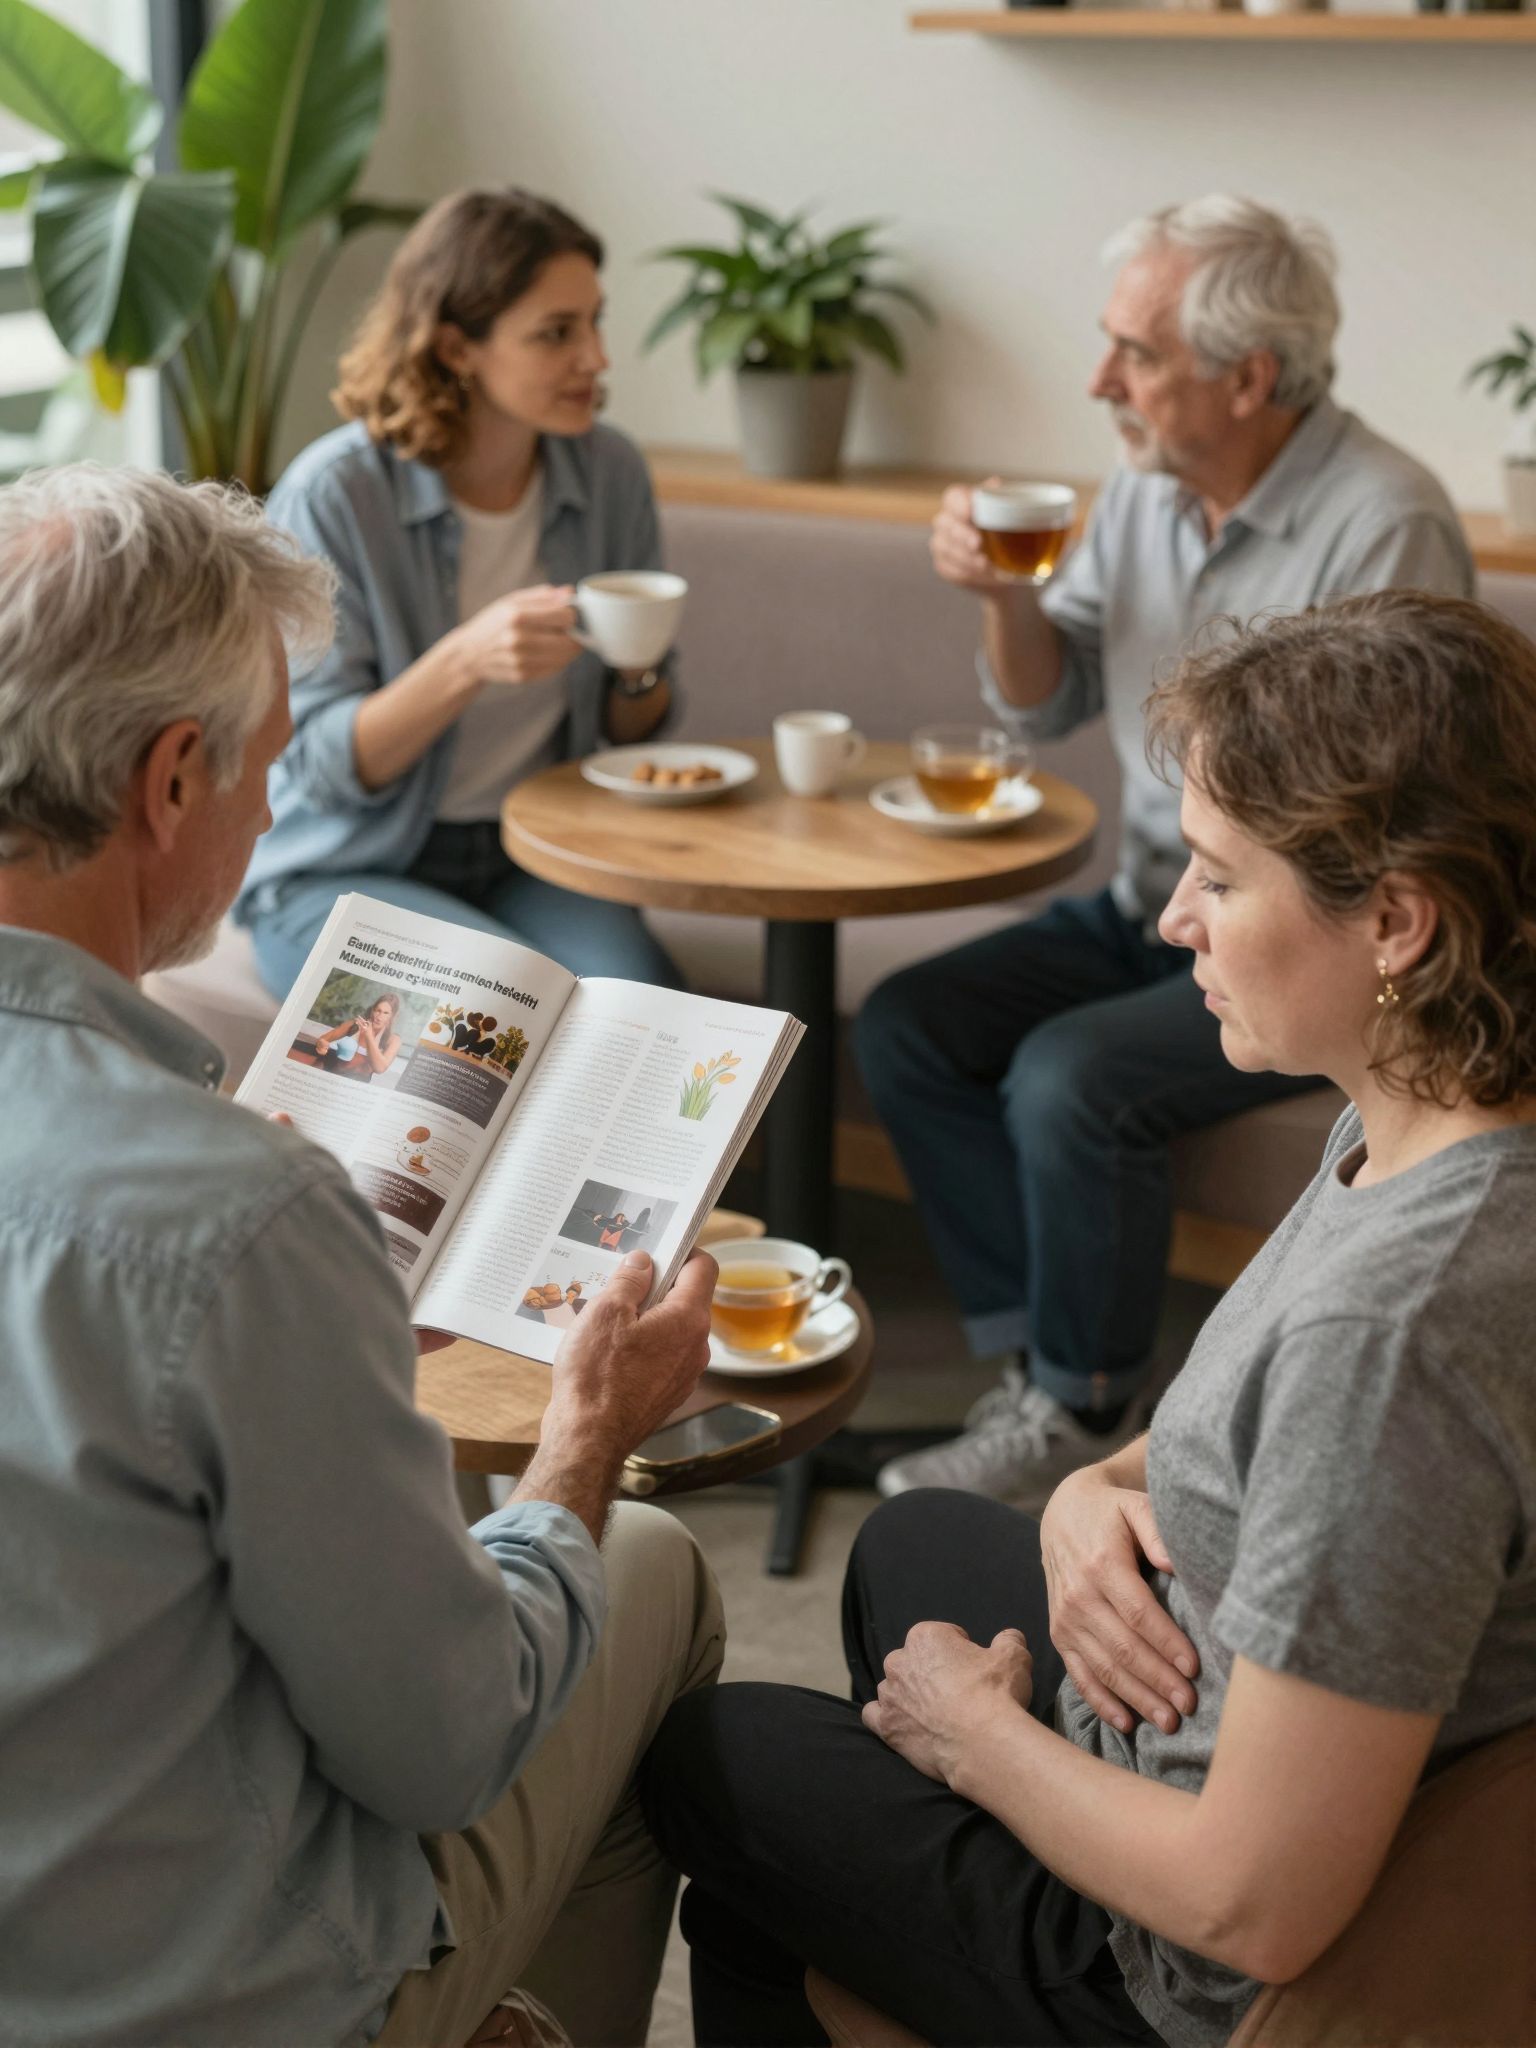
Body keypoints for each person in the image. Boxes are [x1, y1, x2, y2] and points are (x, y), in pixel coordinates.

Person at [644, 588, 1536, 2048]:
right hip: (1207, 1712)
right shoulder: (1417, 1121)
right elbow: (1247, 1433)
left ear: (1397, 923)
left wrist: (980, 1741)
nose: (1176, 917)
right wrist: (1086, 1495)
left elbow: (1258, 1903)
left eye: (1221, 878)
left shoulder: (1400, 1339)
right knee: (913, 1546)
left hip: (1182, 1971)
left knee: (720, 1759)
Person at [0, 463, 723, 2048]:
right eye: (265, 761)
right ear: (171, 780)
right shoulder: (234, 1211)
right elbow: (447, 1745)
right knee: (644, 1574)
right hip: (187, 2001)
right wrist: (586, 1439)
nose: (275, 808)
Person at [858, 195, 1476, 1508]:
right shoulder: (1144, 491)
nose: (1100, 382)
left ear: (1248, 377)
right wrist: (1004, 596)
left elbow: (1393, 825)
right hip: (1155, 898)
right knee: (908, 1022)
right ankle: (1052, 1361)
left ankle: (1076, 1406)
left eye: (1133, 354)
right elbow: (1041, 703)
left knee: (1070, 1076)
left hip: (1301, 934)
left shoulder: (1386, 521)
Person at [236, 186, 681, 999]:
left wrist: (639, 668)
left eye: (595, 322)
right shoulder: (337, 496)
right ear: (456, 348)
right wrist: (467, 659)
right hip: (347, 866)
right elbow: (323, 764)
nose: (596, 358)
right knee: (500, 1018)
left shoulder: (609, 473)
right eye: (557, 333)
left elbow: (636, 726)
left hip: (534, 851)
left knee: (643, 1015)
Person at [315, 988, 403, 1076]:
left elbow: (379, 1068)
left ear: (393, 1016)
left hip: (356, 1081)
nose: (379, 1017)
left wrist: (368, 1035)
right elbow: (322, 1040)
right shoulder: (354, 1026)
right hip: (329, 1072)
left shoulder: (393, 1040)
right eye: (378, 1011)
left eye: (386, 1013)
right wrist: (322, 1046)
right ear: (373, 1011)